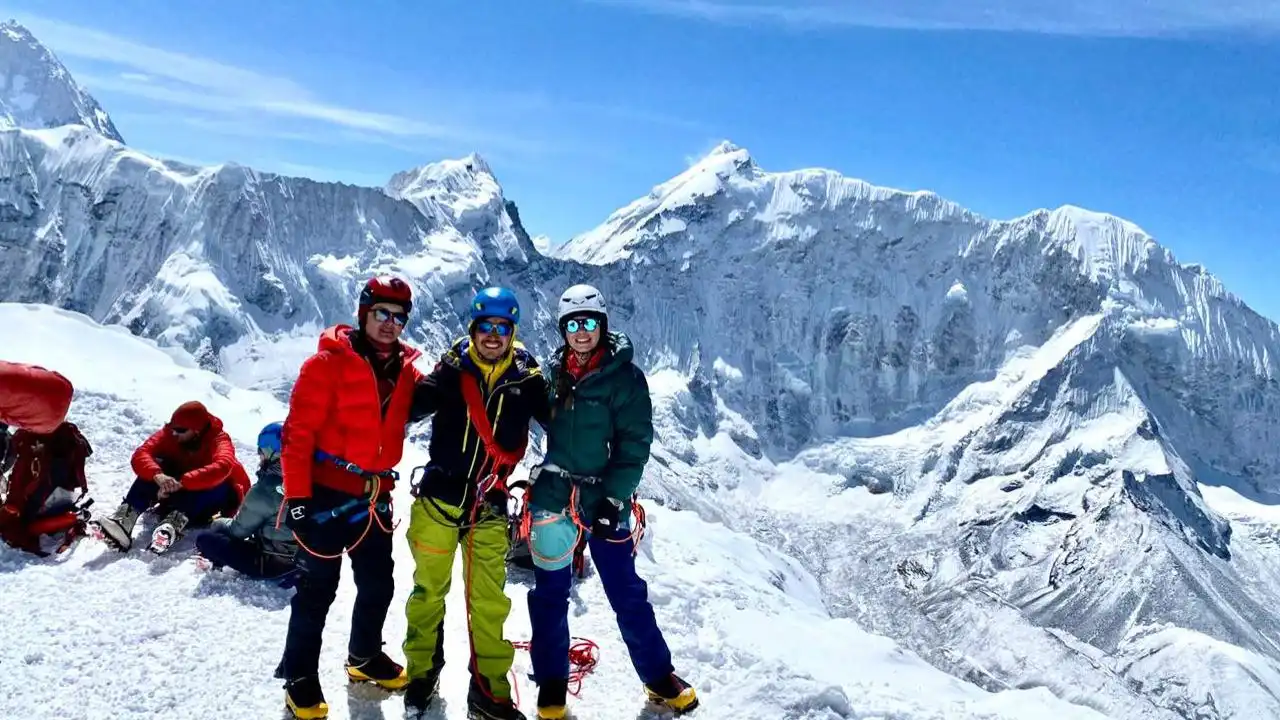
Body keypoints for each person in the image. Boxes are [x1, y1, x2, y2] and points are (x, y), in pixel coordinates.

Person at [525, 284, 699, 719]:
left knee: (625, 590)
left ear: (602, 326)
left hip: (604, 498)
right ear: (563, 330)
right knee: (549, 593)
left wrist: (613, 498)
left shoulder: (626, 379)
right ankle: (551, 683)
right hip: (554, 494)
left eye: (589, 323)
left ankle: (658, 675)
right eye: (572, 325)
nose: (581, 332)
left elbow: (634, 444)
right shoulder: (552, 375)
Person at [278, 275, 425, 720]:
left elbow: (436, 395)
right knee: (316, 591)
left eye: (399, 317)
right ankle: (299, 677)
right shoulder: (326, 364)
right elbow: (297, 435)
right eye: (382, 313)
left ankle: (364, 656)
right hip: (324, 497)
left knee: (379, 583)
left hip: (374, 499)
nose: (390, 323)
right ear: (363, 314)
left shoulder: (406, 372)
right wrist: (297, 498)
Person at [401, 286, 550, 720]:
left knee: (488, 602)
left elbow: (560, 422)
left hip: (490, 503)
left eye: (502, 327)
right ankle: (422, 674)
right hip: (440, 498)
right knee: (428, 593)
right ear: (473, 329)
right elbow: (411, 407)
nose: (493, 335)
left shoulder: (527, 379)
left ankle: (488, 692)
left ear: (512, 332)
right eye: (486, 326)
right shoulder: (452, 370)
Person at [94, 400, 250, 553]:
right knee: (156, 464)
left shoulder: (219, 439)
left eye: (180, 430)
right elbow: (141, 454)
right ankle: (125, 520)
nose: (174, 433)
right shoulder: (171, 434)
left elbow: (223, 466)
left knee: (219, 482)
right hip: (178, 493)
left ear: (196, 431)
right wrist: (158, 476)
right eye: (173, 428)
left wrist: (183, 483)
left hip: (209, 504)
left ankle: (173, 524)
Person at [195, 421, 299, 585]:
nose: (260, 456)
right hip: (306, 560)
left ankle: (214, 561)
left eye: (261, 451)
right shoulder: (311, 479)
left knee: (206, 538)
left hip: (273, 565)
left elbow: (237, 531)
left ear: (270, 452)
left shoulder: (266, 489)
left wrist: (218, 523)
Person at [0, 420, 94, 555]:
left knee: (27, 521)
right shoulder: (66, 436)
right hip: (60, 500)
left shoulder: (30, 438)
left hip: (35, 508)